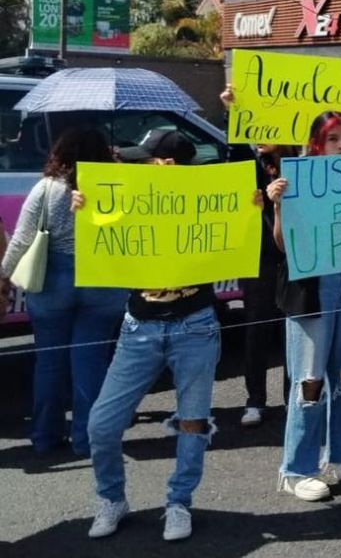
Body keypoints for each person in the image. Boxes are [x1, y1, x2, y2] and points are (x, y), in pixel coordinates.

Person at [83, 129, 236, 542]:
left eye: (146, 159)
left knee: (192, 422)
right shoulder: (134, 198)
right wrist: (86, 208)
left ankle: (179, 502)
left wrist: (252, 206)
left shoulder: (206, 204)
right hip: (139, 327)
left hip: (195, 326)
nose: (139, 165)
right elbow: (103, 232)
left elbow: (233, 221)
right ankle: (111, 498)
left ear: (167, 164)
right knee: (101, 424)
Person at [0, 127, 126, 456]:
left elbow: (21, 241)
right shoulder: (117, 189)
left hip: (52, 282)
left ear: (59, 154)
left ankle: (45, 436)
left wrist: (3, 277)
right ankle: (88, 441)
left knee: (49, 363)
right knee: (91, 362)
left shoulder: (45, 189)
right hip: (102, 283)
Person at [271, 111, 341, 502]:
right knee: (309, 380)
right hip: (312, 288)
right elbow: (281, 245)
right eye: (334, 139)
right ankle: (296, 469)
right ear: (317, 143)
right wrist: (278, 206)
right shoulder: (297, 180)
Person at [219, 85, 292, 428]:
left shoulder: (302, 165)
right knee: (256, 331)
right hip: (259, 259)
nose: (259, 137)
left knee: (295, 331)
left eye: (267, 130)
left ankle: (295, 396)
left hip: (294, 260)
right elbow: (234, 153)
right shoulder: (252, 166)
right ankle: (255, 399)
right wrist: (232, 111)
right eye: (254, 130)